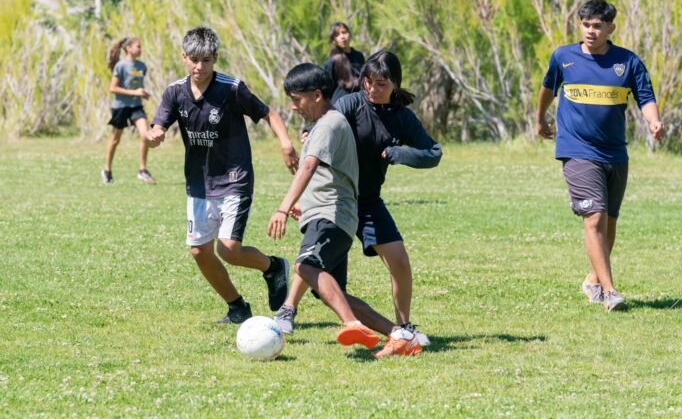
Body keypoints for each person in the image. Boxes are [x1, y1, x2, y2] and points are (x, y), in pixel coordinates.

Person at [275, 51, 442, 346]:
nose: (372, 90)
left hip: (367, 200)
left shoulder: (402, 118)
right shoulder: (351, 104)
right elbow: (326, 123)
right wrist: (307, 134)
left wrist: (399, 153)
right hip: (336, 197)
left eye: (381, 84)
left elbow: (433, 154)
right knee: (313, 256)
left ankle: (403, 327)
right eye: (367, 82)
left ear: (395, 84)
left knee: (399, 261)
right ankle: (288, 309)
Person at [145, 26, 299, 324]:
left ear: (215, 58)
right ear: (184, 57)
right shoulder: (175, 92)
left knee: (228, 249)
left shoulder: (231, 88)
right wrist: (154, 134)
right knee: (200, 251)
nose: (199, 67)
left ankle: (272, 267)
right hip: (199, 183)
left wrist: (285, 142)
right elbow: (159, 124)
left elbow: (269, 113)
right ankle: (237, 307)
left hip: (234, 178)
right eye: (193, 59)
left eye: (206, 60)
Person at [535, 0, 665, 312]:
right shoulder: (563, 57)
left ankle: (593, 280)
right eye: (586, 24)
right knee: (594, 217)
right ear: (579, 25)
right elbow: (547, 89)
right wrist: (540, 118)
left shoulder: (627, 61)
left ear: (610, 28)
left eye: (597, 26)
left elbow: (645, 96)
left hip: (615, 152)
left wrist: (653, 121)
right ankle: (609, 292)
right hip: (576, 149)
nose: (591, 31)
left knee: (609, 223)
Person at [102, 36, 155, 184]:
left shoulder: (142, 66)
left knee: (146, 135)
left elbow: (136, 85)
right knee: (115, 140)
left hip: (136, 107)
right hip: (120, 107)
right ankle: (107, 170)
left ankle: (142, 170)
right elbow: (113, 88)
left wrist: (143, 93)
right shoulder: (120, 66)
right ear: (128, 48)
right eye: (138, 46)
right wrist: (135, 93)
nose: (140, 49)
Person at [322, 22, 365, 103]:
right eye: (337, 35)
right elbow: (326, 89)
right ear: (333, 39)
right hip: (340, 104)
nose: (342, 37)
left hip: (359, 101)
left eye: (344, 32)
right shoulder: (331, 61)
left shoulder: (359, 56)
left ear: (349, 34)